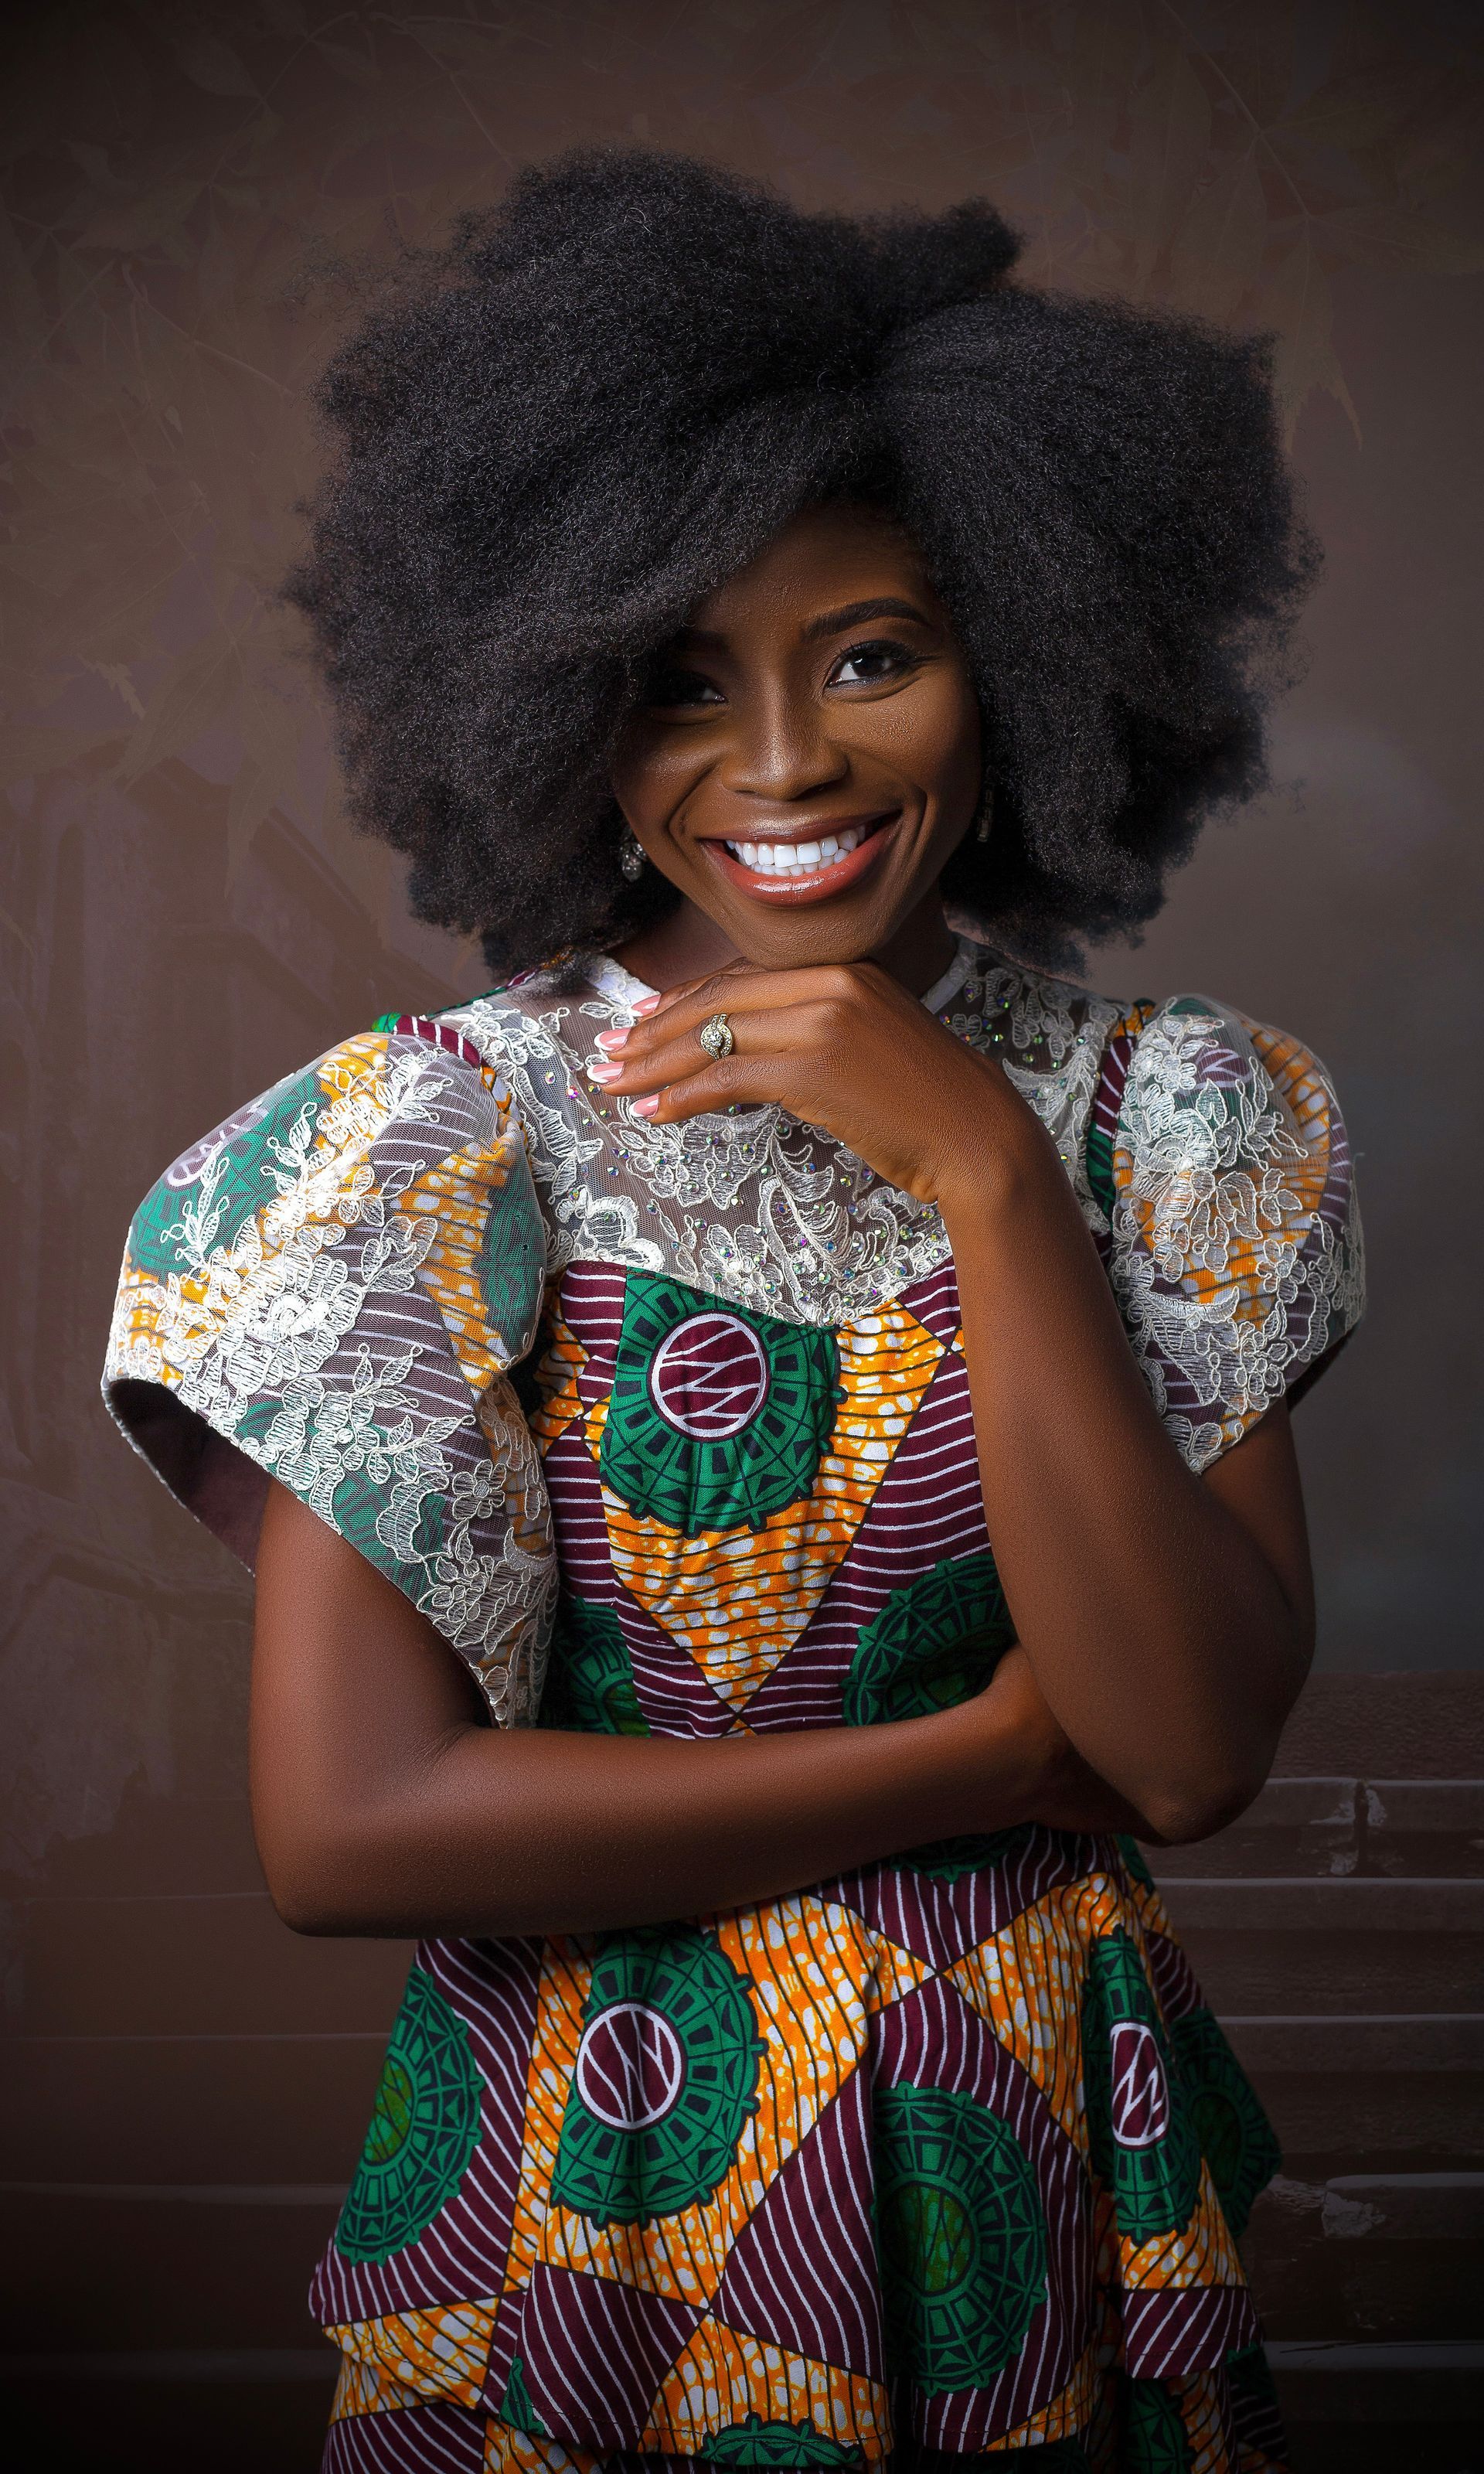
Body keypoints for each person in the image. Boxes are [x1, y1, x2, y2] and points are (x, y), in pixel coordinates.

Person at [103, 149, 1363, 2474]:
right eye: (684, 682)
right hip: (590, 2201)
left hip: (1035, 2192)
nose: (785, 767)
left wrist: (981, 1168)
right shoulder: (417, 1148)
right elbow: (349, 1831)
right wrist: (974, 1769)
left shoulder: (1173, 1119)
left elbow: (1185, 1753)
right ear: (555, 700)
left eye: (874, 654)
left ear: (1028, 641)